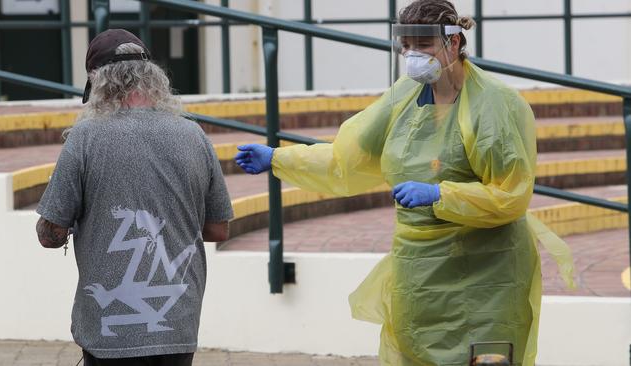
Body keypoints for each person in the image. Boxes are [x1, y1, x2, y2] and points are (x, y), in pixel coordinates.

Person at [234, 1, 573, 365]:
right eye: (406, 46)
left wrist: (441, 194)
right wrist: (277, 157)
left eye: (423, 46)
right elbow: (347, 158)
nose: (412, 55)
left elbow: (510, 195)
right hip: (420, 267)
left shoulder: (493, 106)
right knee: (417, 353)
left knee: (483, 356)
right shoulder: (403, 97)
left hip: (486, 270)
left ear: (454, 42)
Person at [35, 29, 233, 366]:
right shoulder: (193, 134)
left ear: (98, 82)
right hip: (176, 322)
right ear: (153, 77)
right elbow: (218, 230)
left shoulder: (85, 138)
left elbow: (49, 235)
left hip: (109, 328)